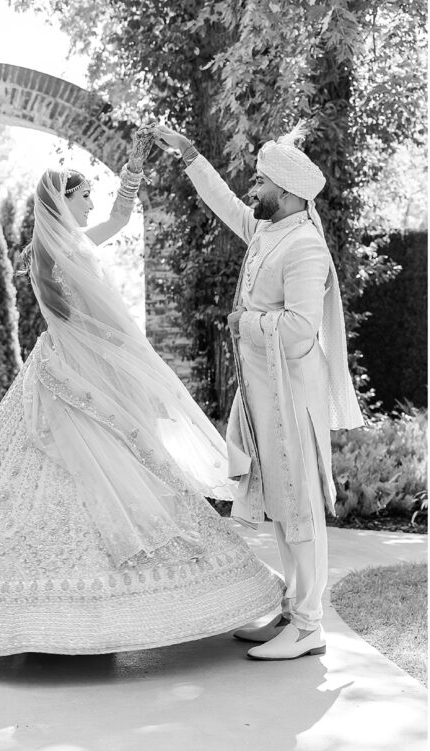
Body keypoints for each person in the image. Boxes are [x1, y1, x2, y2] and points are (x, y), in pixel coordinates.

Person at [0, 130, 283, 655]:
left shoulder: (66, 244)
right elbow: (86, 316)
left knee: (114, 468)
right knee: (72, 475)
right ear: (62, 199)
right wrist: (132, 357)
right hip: (77, 367)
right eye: (84, 196)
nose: (91, 203)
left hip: (81, 362)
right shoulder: (50, 252)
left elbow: (119, 221)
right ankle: (49, 604)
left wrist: (133, 174)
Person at [151, 121, 364, 661]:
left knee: (301, 506)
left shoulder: (305, 247)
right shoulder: (270, 230)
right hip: (264, 396)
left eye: (261, 183)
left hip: (292, 398)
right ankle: (294, 611)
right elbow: (224, 201)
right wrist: (190, 153)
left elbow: (297, 331)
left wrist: (244, 321)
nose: (253, 189)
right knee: (278, 503)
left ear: (288, 192)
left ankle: (312, 624)